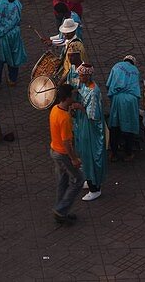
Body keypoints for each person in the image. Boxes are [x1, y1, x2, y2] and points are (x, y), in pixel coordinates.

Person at [49, 82, 84, 225]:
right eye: (72, 96)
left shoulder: (54, 110)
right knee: (78, 180)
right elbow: (67, 143)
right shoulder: (65, 119)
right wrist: (74, 159)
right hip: (63, 154)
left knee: (62, 181)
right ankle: (61, 209)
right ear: (67, 98)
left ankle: (60, 209)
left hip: (54, 151)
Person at [71, 63, 106, 201]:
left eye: (81, 75)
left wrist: (79, 107)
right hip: (83, 125)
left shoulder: (93, 92)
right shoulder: (84, 85)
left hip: (91, 129)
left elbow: (93, 116)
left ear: (87, 75)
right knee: (84, 154)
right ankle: (89, 179)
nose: (79, 78)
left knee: (91, 156)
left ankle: (95, 188)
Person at [106, 55, 141, 163]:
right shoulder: (135, 70)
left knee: (115, 126)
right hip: (131, 100)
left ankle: (114, 153)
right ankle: (128, 152)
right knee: (128, 126)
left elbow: (108, 84)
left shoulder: (116, 66)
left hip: (117, 97)